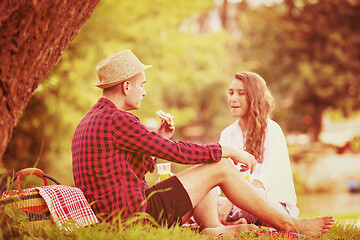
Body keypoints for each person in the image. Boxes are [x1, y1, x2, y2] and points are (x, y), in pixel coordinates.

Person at [71, 49, 334, 237]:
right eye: (142, 85)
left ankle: (215, 230)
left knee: (207, 170)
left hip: (120, 215)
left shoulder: (92, 120)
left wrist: (160, 137)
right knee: (219, 166)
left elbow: (130, 167)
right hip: (136, 218)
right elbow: (176, 153)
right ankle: (292, 225)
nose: (144, 91)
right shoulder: (118, 120)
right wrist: (227, 151)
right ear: (126, 87)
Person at [216, 71, 299, 226]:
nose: (233, 98)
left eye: (241, 93)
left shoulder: (272, 130)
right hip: (237, 207)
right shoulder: (227, 134)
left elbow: (264, 182)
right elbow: (217, 176)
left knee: (253, 204)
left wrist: (229, 203)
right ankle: (235, 224)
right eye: (231, 93)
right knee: (203, 204)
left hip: (272, 206)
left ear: (254, 98)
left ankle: (230, 222)